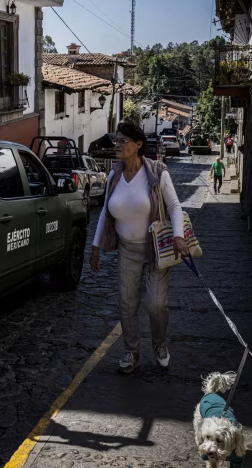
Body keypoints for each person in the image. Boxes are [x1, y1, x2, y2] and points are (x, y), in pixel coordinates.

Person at [90, 121, 187, 374]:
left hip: (156, 249)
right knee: (127, 304)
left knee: (156, 304)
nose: (117, 145)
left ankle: (159, 345)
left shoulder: (156, 172)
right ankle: (131, 353)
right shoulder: (114, 175)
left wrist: (179, 237)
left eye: (122, 141)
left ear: (138, 145)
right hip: (127, 250)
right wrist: (96, 246)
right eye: (116, 140)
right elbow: (105, 212)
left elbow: (175, 206)